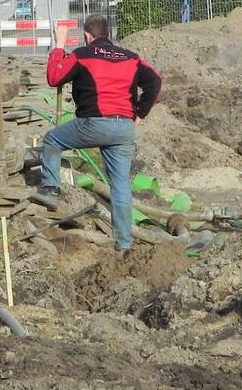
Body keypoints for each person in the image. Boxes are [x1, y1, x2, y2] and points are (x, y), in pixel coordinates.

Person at [39, 14, 162, 252]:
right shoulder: (130, 57)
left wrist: (59, 46)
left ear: (87, 36)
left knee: (52, 140)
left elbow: (54, 78)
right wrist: (140, 112)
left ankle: (50, 191)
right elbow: (155, 82)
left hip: (93, 123)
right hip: (124, 128)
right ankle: (124, 243)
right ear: (108, 33)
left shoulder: (82, 55)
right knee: (120, 185)